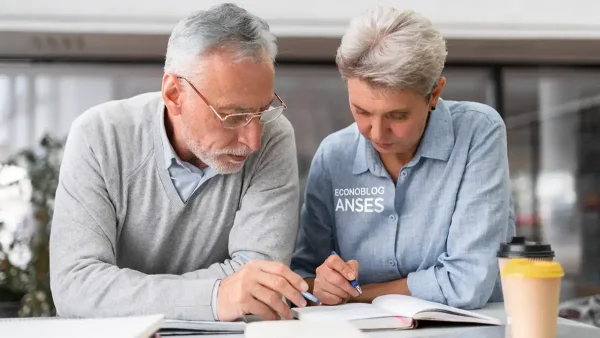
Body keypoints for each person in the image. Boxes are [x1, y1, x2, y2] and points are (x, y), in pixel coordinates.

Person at [50, 3, 309, 322]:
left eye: (261, 110)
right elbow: (75, 288)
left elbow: (260, 288)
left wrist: (119, 293)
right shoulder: (99, 135)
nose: (253, 139)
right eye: (233, 115)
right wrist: (216, 297)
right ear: (174, 94)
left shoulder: (273, 135)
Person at [291, 7, 516, 309]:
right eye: (362, 111)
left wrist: (359, 293)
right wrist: (323, 283)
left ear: (434, 94)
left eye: (397, 115)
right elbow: (304, 274)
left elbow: (467, 281)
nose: (377, 132)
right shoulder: (334, 154)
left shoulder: (478, 132)